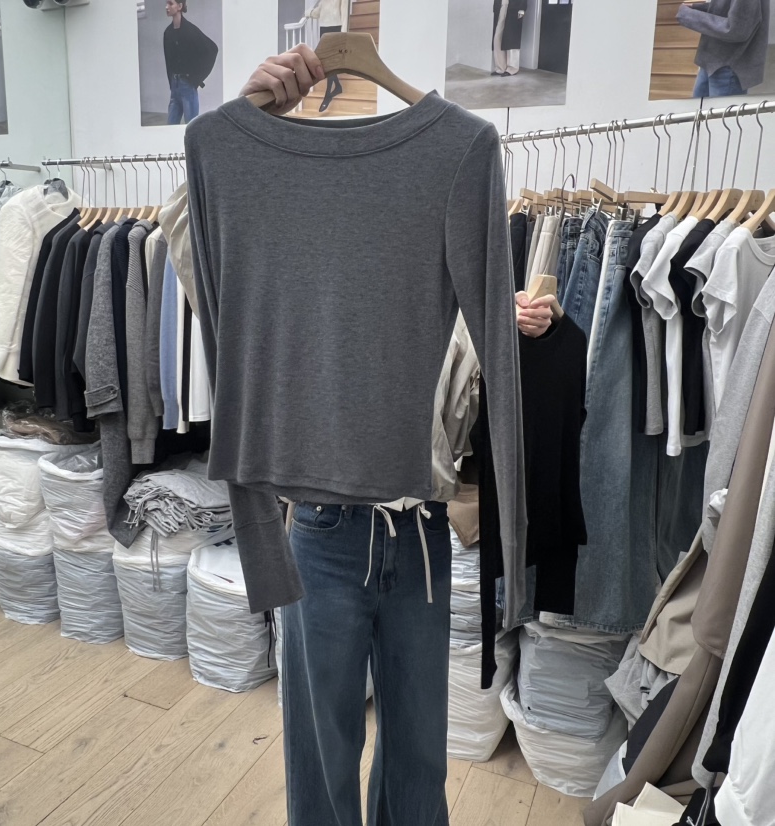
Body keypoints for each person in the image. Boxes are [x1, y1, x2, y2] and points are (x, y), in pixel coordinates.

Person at [237, 44, 555, 824]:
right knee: (322, 756)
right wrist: (251, 122)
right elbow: (201, 254)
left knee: (418, 761)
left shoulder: (457, 175)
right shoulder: (291, 234)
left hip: (420, 532)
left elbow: (468, 369)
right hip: (322, 530)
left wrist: (516, 327)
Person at [677, 0, 769, 97]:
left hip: (729, 67)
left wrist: (689, 15)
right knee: (699, 106)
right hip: (712, 62)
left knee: (719, 107)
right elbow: (732, 9)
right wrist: (698, 8)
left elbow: (737, 30)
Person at [163, 0, 219, 125]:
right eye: (166, 3)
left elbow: (212, 49)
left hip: (187, 86)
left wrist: (196, 78)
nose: (166, 7)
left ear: (180, 6)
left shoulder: (190, 30)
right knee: (170, 126)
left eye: (170, 3)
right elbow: (168, 61)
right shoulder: (168, 33)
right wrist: (171, 83)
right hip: (175, 87)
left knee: (191, 126)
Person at [306, 0, 350, 112]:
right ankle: (337, 87)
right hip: (323, 27)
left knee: (330, 61)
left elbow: (345, 13)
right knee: (326, 61)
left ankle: (328, 94)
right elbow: (320, 11)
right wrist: (309, 12)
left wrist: (344, 35)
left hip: (336, 27)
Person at [492, 0, 527, 78]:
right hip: (500, 6)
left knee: (512, 37)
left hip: (514, 7)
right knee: (497, 37)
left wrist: (522, 8)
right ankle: (500, 67)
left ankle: (512, 68)